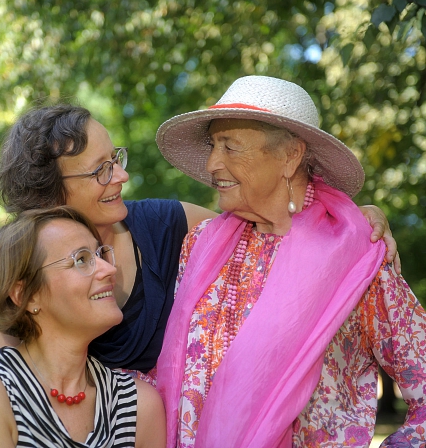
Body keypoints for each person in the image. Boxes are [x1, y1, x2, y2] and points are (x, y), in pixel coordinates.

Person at [0, 102, 397, 427]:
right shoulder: (27, 271)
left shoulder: (169, 225)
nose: (122, 176)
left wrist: (354, 223)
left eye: (117, 158)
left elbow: (273, 233)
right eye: (101, 170)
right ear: (51, 193)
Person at [154, 75, 426, 447]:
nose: (212, 162)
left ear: (290, 155)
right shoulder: (200, 245)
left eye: (230, 147)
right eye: (213, 145)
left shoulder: (358, 255)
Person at [0, 206, 166, 447]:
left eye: (100, 255)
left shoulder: (139, 405)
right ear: (26, 295)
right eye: (82, 260)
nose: (109, 269)